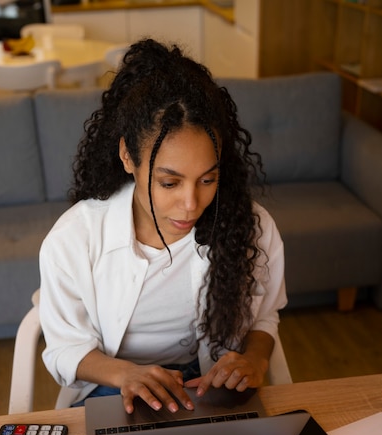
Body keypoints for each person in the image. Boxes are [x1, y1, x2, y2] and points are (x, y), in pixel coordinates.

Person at [39, 38, 287, 413]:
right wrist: (126, 374)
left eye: (207, 179)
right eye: (169, 182)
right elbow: (64, 349)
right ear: (127, 156)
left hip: (208, 380)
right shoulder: (75, 237)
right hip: (111, 384)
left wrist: (254, 360)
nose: (191, 204)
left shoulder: (249, 226)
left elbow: (265, 315)